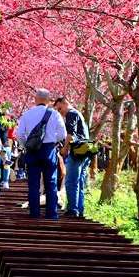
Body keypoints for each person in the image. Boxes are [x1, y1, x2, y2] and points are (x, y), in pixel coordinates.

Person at [16, 88, 66, 219]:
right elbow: (63, 134)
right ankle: (52, 214)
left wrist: (26, 145)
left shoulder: (27, 114)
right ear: (49, 100)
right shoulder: (55, 114)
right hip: (48, 150)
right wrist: (54, 141)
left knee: (33, 183)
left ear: (36, 99)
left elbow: (20, 134)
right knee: (51, 182)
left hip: (32, 151)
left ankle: (34, 213)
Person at [55, 97, 91, 218]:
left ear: (65, 103)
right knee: (79, 181)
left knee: (71, 181)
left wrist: (65, 148)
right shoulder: (78, 113)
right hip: (87, 148)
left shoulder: (71, 113)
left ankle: (72, 210)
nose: (60, 112)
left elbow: (71, 134)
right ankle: (79, 209)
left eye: (59, 108)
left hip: (78, 149)